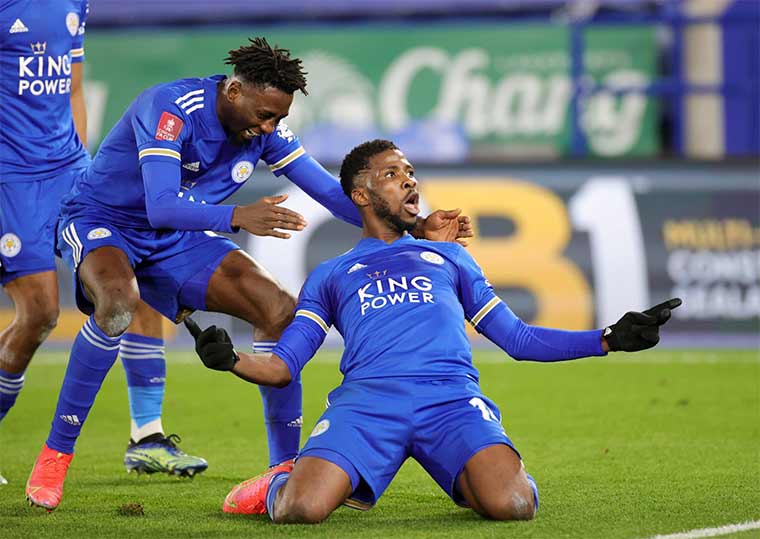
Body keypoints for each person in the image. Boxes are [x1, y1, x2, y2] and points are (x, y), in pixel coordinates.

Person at [24, 39, 471, 511]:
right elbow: (159, 205)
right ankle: (56, 454)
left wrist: (414, 225)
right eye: (263, 115)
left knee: (279, 310)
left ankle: (283, 471)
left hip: (179, 237)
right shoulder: (170, 107)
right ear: (234, 91)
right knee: (116, 306)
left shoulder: (263, 130)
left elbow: (330, 192)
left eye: (278, 118)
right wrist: (236, 216)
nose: (269, 127)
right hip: (105, 221)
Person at [184, 139, 682, 523]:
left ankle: (477, 469)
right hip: (366, 405)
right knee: (301, 511)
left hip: (449, 401)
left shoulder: (448, 255)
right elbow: (282, 367)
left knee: (512, 505)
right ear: (360, 195)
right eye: (392, 174)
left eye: (411, 172)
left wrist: (609, 339)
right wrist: (231, 361)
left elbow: (519, 340)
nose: (409, 181)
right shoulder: (332, 274)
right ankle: (279, 484)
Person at [0, 1, 206, 487]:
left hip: (70, 169)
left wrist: (84, 164)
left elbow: (73, 85)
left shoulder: (74, 3)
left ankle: (147, 437)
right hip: (12, 181)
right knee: (40, 313)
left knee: (138, 271)